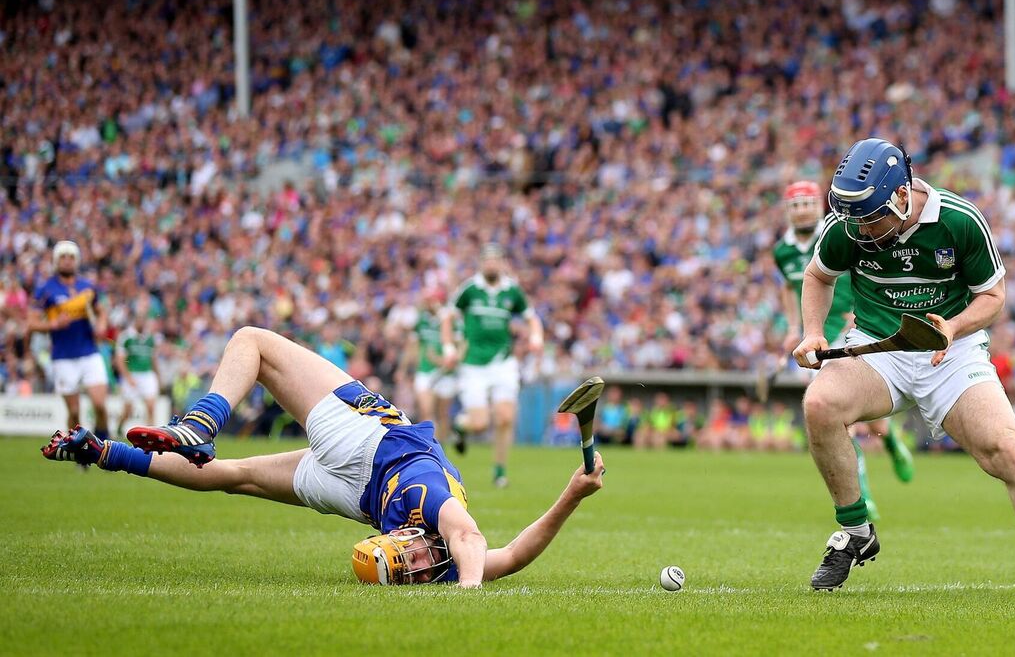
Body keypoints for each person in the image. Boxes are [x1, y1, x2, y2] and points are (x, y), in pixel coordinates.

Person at [793, 137, 1015, 603]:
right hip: (876, 346)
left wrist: (955, 327)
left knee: (1005, 450)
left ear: (901, 196)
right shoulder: (848, 225)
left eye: (871, 218)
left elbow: (994, 297)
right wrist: (812, 331)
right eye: (854, 220)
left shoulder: (959, 221)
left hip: (952, 351)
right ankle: (856, 531)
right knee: (819, 404)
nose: (860, 231)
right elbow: (818, 275)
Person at [42, 326, 605, 587]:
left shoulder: (433, 538)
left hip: (355, 477)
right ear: (423, 549)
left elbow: (500, 551)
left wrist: (573, 493)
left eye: (398, 562)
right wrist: (568, 498)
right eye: (406, 559)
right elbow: (490, 548)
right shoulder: (437, 512)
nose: (405, 559)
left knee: (252, 351)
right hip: (371, 448)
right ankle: (188, 429)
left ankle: (116, 448)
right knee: (235, 452)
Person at [773, 181, 914, 519]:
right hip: (816, 334)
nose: (802, 211)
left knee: (853, 413)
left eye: (807, 204)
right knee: (841, 417)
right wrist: (794, 328)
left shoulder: (842, 231)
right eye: (795, 206)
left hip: (851, 327)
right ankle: (877, 466)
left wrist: (860, 310)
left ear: (817, 206)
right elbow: (789, 289)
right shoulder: (782, 250)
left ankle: (878, 465)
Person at [441, 243, 544, 487]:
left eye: (495, 260)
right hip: (473, 365)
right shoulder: (470, 289)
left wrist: (536, 338)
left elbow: (532, 319)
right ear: (481, 263)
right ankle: (461, 426)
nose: (491, 264)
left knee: (505, 417)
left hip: (503, 362)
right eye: (487, 260)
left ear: (502, 263)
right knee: (480, 423)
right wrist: (448, 348)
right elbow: (448, 317)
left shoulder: (512, 291)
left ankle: (500, 471)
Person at [28, 241, 111, 438]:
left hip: (89, 352)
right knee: (74, 412)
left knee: (100, 405)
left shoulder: (87, 287)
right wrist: (53, 324)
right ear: (56, 261)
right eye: (62, 257)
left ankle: (105, 444)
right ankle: (79, 450)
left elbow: (101, 313)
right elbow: (31, 323)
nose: (67, 261)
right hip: (63, 356)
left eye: (71, 257)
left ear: (77, 261)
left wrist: (101, 326)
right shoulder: (45, 289)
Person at [402, 285, 457, 441]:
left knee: (442, 414)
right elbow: (413, 345)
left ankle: (441, 448)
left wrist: (443, 360)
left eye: (431, 300)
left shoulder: (450, 319)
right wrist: (404, 368)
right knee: (427, 411)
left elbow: (460, 345)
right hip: (425, 370)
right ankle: (431, 447)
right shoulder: (421, 319)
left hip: (446, 373)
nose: (427, 304)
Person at [115, 313, 161, 433]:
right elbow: (120, 360)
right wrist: (128, 377)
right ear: (135, 321)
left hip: (147, 374)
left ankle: (151, 435)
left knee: (151, 407)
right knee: (128, 410)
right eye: (139, 320)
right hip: (132, 374)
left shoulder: (150, 338)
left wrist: (158, 376)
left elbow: (153, 359)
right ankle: (119, 428)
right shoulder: (125, 337)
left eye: (143, 320)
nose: (141, 322)